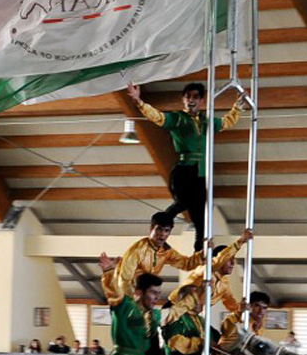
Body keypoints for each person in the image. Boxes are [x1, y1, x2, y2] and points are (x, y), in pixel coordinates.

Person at [126, 81, 244, 249]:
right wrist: (139, 101)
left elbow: (226, 122)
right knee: (182, 203)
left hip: (201, 173)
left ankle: (199, 253)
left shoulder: (207, 120)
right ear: (183, 99)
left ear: (202, 101)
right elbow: (158, 116)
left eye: (195, 97)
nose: (191, 100)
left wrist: (238, 106)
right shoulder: (178, 118)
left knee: (200, 218)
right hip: (184, 169)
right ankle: (159, 230)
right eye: (188, 96)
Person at [104, 211, 204, 300]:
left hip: (146, 297)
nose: (162, 235)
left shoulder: (167, 251)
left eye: (166, 231)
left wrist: (204, 254)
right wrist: (132, 302)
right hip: (127, 297)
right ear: (151, 229)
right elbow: (125, 279)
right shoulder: (138, 250)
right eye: (159, 229)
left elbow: (186, 264)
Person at [166, 228, 253, 317]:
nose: (232, 263)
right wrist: (240, 241)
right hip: (175, 307)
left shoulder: (224, 284)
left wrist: (243, 310)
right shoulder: (205, 270)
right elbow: (218, 261)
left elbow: (232, 305)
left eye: (233, 259)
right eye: (229, 259)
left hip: (191, 315)